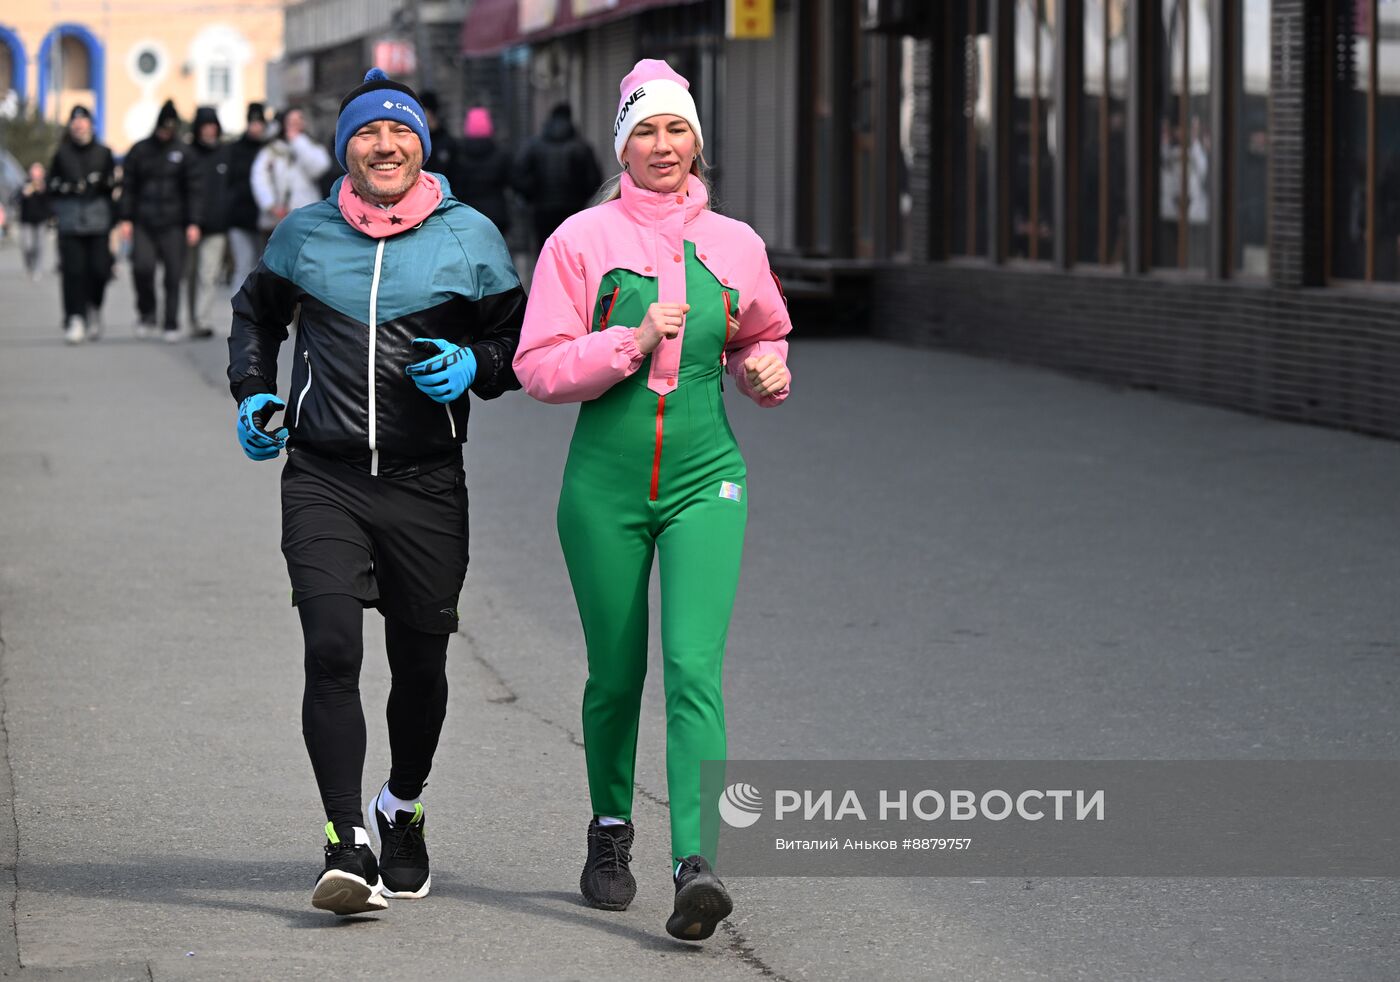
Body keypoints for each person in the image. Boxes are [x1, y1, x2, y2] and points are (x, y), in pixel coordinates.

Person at [227, 67, 525, 917]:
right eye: (365, 133)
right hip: (323, 475)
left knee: (420, 662)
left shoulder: (470, 237)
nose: (384, 145)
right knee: (331, 648)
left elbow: (518, 342)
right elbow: (255, 317)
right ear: (344, 148)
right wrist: (252, 391)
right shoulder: (304, 234)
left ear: (421, 147)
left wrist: (478, 366)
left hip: (427, 483)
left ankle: (400, 804)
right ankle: (343, 841)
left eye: (398, 134)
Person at [513, 59, 792, 942]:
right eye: (645, 131)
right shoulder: (580, 242)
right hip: (603, 488)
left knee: (692, 668)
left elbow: (764, 333)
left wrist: (767, 372)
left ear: (697, 141)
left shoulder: (738, 243)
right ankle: (608, 831)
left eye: (676, 130)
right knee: (616, 674)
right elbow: (539, 367)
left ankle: (695, 863)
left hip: (707, 480)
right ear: (622, 143)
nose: (661, 146)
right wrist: (627, 342)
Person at [120, 99, 203, 341]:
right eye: (163, 128)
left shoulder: (184, 152)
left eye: (170, 128)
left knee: (173, 275)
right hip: (144, 221)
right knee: (142, 268)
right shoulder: (140, 151)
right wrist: (125, 218)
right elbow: (128, 186)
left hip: (174, 223)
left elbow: (194, 190)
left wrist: (193, 222)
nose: (166, 133)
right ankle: (147, 313)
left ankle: (171, 322)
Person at [47, 105, 117, 344]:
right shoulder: (61, 153)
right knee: (73, 272)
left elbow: (112, 187)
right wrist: (66, 187)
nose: (79, 126)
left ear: (91, 125)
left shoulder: (103, 152)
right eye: (74, 122)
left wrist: (101, 183)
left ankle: (94, 307)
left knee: (99, 270)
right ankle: (74, 317)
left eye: (83, 121)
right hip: (70, 221)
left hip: (98, 221)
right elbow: (51, 184)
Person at [513, 102, 601, 252]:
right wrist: (581, 197)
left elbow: (518, 176)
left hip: (542, 209)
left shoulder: (535, 145)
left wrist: (531, 196)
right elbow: (594, 179)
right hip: (572, 208)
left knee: (544, 250)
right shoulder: (581, 146)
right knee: (571, 249)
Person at [251, 106, 331, 234]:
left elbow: (318, 168)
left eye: (299, 120)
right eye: (291, 121)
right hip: (277, 217)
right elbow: (259, 178)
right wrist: (270, 205)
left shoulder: (310, 145)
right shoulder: (271, 150)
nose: (296, 124)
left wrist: (298, 142)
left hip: (306, 214)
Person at [187, 106, 231, 338]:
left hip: (217, 226)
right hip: (188, 226)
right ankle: (192, 318)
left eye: (212, 126)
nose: (209, 131)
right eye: (205, 127)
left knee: (208, 274)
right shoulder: (188, 154)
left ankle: (202, 320)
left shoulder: (225, 154)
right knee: (190, 275)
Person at [225, 103, 269, 297]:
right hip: (240, 217)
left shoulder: (269, 149)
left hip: (266, 220)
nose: (257, 127)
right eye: (253, 123)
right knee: (243, 266)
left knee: (264, 269)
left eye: (260, 123)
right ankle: (239, 313)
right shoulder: (235, 150)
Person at [448, 107, 512, 236]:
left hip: (467, 213)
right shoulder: (501, 155)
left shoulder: (459, 156)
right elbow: (513, 181)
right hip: (496, 214)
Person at [16, 162, 53, 282]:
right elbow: (16, 200)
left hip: (41, 219)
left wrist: (42, 191)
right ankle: (29, 266)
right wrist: (24, 193)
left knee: (39, 246)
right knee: (27, 245)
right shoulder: (24, 184)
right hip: (26, 219)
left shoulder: (46, 186)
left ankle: (38, 269)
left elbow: (51, 202)